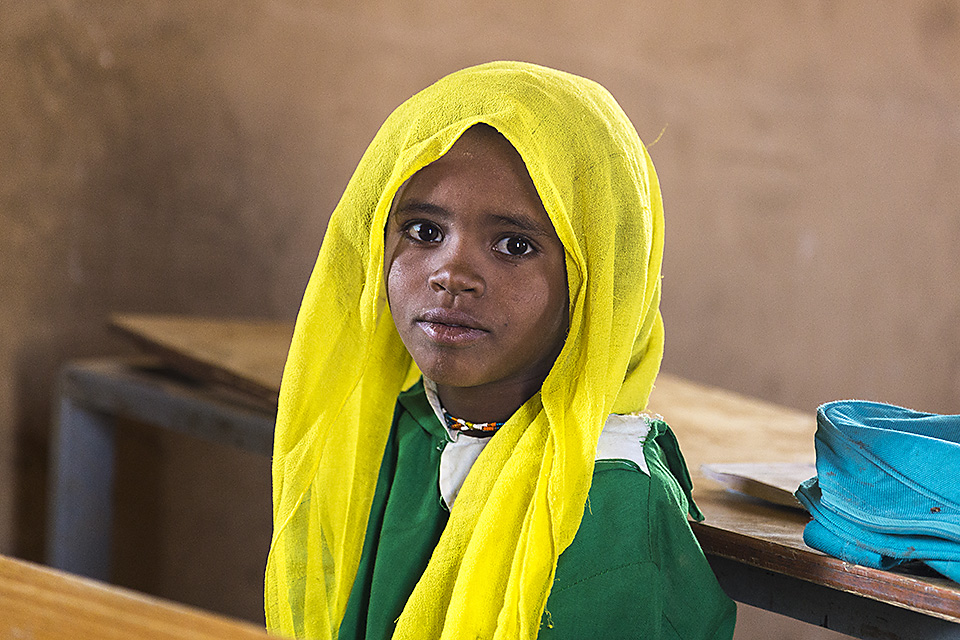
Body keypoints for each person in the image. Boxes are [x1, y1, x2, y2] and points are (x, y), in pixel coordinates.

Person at [264, 61, 736, 640]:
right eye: (423, 231)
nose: (452, 274)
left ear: (599, 284)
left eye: (514, 245)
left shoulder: (604, 499)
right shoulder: (395, 430)